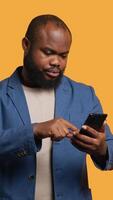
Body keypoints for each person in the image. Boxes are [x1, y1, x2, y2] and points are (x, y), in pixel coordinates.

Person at [0, 14, 113, 200]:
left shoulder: (85, 95)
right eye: (48, 52)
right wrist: (34, 131)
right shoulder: (2, 94)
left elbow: (110, 145)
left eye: (63, 55)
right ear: (26, 45)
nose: (57, 62)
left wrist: (101, 149)